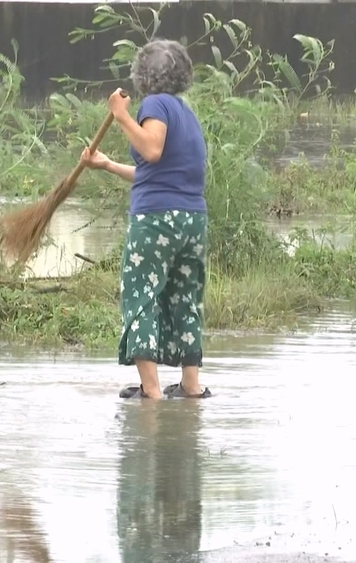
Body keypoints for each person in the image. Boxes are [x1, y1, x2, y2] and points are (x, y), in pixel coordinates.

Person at [80, 39, 211, 400]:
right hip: (191, 221)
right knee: (186, 297)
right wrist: (106, 164)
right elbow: (159, 173)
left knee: (141, 297)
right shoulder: (186, 113)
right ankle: (191, 386)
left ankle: (151, 392)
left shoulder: (154, 105)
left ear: (143, 76)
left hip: (155, 221)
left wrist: (121, 115)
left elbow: (151, 151)